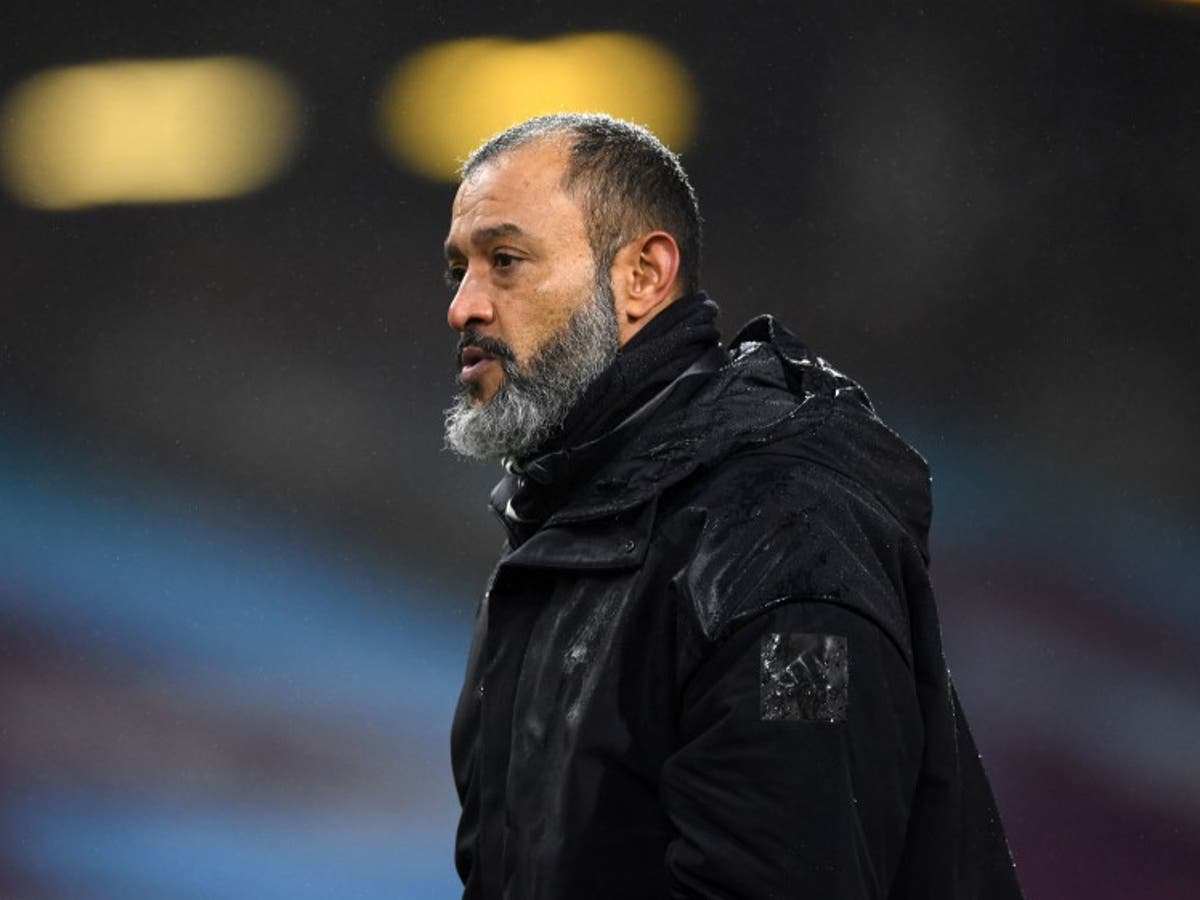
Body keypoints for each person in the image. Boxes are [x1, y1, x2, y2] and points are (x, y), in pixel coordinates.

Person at [441, 113, 1022, 900]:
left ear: (643, 275)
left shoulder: (784, 533)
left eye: (505, 261)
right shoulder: (562, 533)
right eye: (459, 270)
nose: (464, 307)